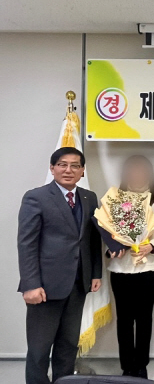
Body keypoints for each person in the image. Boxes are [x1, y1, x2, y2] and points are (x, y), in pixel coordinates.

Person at [17, 147, 102, 384]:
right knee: (39, 349)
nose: (68, 170)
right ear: (52, 168)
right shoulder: (36, 197)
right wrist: (30, 285)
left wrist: (95, 273)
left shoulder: (89, 198)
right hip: (44, 286)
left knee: (68, 345)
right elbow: (27, 244)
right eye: (62, 164)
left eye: (75, 165)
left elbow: (92, 239)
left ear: (82, 171)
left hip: (78, 283)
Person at [107, 155, 154, 379]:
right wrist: (115, 247)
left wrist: (151, 246)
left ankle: (141, 364)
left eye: (142, 170)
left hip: (149, 268)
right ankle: (127, 366)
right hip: (120, 268)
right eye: (132, 170)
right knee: (124, 319)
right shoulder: (114, 197)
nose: (137, 174)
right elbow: (105, 229)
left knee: (144, 318)